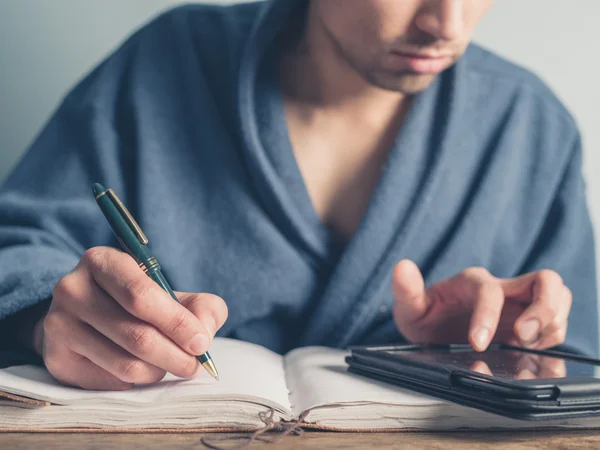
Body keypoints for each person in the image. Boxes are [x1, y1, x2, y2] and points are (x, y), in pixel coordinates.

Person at [0, 0, 596, 391]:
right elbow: (17, 248)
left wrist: (502, 351)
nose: (448, 23)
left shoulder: (531, 126)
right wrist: (44, 316)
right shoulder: (165, 64)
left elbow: (576, 369)